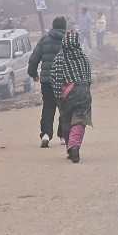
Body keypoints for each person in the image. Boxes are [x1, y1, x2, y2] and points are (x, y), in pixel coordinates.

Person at [51, 31, 92, 163]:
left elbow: (56, 79)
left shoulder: (59, 58)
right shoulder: (83, 57)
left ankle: (70, 147)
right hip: (84, 90)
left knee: (67, 121)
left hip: (68, 93)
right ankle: (74, 145)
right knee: (80, 120)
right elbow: (88, 77)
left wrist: (58, 97)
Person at [28, 16, 67, 148]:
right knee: (64, 107)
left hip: (47, 80)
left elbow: (34, 59)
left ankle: (45, 134)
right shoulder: (68, 41)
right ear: (64, 27)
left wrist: (33, 73)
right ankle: (63, 135)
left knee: (48, 107)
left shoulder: (44, 40)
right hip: (64, 80)